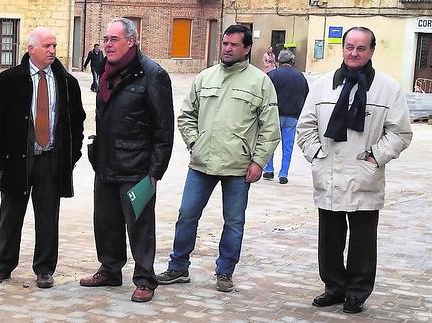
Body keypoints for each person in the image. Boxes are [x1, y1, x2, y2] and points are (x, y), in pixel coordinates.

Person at [297, 27, 412, 314]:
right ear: (343, 48)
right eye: (350, 46)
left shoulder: (387, 88)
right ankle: (333, 287)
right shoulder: (323, 85)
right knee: (330, 238)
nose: (354, 53)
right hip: (330, 172)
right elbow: (305, 127)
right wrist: (317, 155)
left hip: (364, 174)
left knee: (362, 241)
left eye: (361, 48)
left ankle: (357, 292)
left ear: (372, 51)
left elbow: (400, 133)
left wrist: (374, 157)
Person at [156, 25, 280, 292]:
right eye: (225, 43)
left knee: (234, 222)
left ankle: (225, 272)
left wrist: (258, 161)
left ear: (247, 49)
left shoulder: (260, 82)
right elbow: (186, 115)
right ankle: (178, 267)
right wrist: (194, 142)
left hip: (238, 167)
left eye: (234, 45)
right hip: (201, 164)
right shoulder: (205, 77)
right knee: (187, 215)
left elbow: (270, 127)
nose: (227, 48)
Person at [79, 17, 174, 303]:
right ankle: (110, 269)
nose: (107, 44)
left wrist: (155, 172)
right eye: (106, 39)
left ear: (131, 41)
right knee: (105, 222)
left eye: (114, 39)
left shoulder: (152, 74)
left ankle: (145, 279)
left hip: (138, 168)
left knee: (140, 226)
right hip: (106, 163)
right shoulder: (105, 71)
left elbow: (163, 128)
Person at [0, 27, 85, 289]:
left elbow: (77, 122)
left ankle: (44, 269)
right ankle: (3, 266)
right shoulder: (9, 80)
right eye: (47, 46)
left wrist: (71, 156)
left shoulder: (66, 82)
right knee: (11, 213)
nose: (52, 51)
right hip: (17, 159)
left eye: (54, 46)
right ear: (30, 49)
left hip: (50, 158)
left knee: (48, 215)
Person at [262, 49, 309, 184]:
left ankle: (269, 169)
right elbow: (306, 95)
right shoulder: (300, 76)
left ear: (279, 61)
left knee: (270, 143)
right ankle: (283, 173)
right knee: (287, 147)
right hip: (292, 117)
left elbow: (264, 95)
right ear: (292, 61)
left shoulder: (272, 75)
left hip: (274, 115)